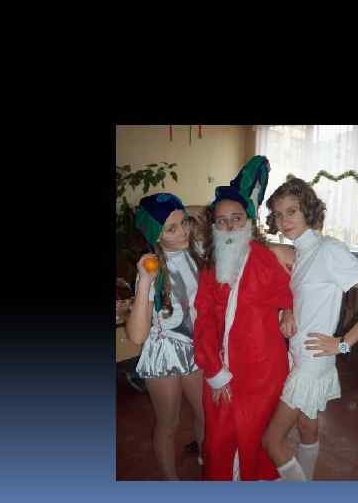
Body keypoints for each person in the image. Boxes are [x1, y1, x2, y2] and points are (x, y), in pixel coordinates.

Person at [261, 177, 358, 481]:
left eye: (292, 211)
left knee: (272, 441)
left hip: (312, 361)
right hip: (299, 354)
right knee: (306, 427)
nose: (284, 220)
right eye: (278, 214)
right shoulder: (300, 254)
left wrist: (343, 343)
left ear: (308, 211)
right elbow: (301, 294)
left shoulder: (328, 250)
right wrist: (287, 310)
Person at [193, 156, 294, 481]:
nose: (229, 226)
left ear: (248, 221)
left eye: (236, 219)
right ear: (214, 226)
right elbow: (204, 320)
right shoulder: (210, 268)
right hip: (222, 370)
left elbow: (292, 292)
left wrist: (290, 310)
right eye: (222, 221)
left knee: (258, 440)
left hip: (264, 373)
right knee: (220, 442)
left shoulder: (267, 259)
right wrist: (215, 371)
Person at [126, 192, 205, 480]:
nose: (182, 232)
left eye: (184, 223)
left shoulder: (197, 250)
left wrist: (179, 212)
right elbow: (137, 335)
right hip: (165, 350)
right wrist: (144, 282)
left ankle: (208, 463)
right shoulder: (152, 268)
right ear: (156, 235)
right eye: (171, 229)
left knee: (205, 415)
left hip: (197, 346)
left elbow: (208, 213)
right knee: (169, 424)